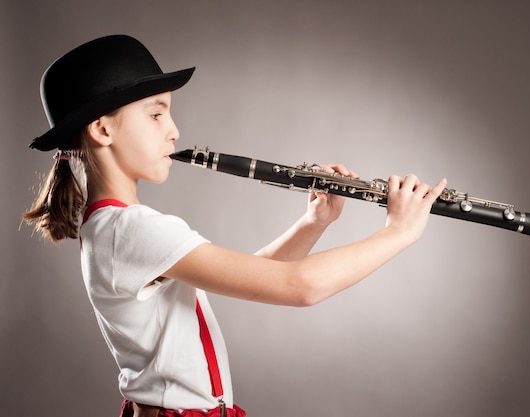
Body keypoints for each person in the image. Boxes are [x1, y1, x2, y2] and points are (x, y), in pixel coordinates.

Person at [23, 34, 447, 417]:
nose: (174, 131)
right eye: (156, 115)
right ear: (101, 129)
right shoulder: (131, 229)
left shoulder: (112, 228)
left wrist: (313, 222)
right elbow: (299, 286)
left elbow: (253, 273)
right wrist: (399, 231)